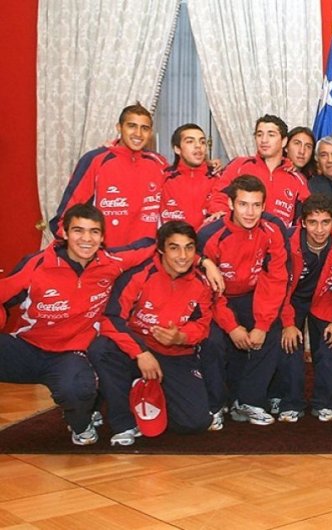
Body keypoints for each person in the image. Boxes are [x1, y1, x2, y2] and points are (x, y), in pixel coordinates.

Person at [0, 204, 156, 445]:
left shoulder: (112, 263)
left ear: (103, 237)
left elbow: (158, 245)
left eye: (94, 232)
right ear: (64, 232)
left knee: (79, 388)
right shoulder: (36, 264)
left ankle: (81, 425)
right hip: (26, 347)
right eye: (78, 231)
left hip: (69, 355)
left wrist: (202, 260)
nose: (86, 239)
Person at [89, 221, 215, 445]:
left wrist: (181, 337)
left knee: (194, 423)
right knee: (101, 348)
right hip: (135, 351)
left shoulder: (201, 283)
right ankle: (123, 422)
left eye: (189, 247)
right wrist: (140, 353)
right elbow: (111, 319)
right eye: (174, 248)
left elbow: (202, 325)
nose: (183, 255)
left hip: (175, 354)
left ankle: (147, 392)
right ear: (161, 250)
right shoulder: (140, 275)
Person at [198, 175, 290, 427]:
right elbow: (206, 291)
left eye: (256, 205)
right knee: (213, 341)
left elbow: (275, 280)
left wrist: (261, 325)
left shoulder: (272, 232)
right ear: (230, 204)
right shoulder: (210, 234)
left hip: (253, 295)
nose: (250, 212)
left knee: (271, 332)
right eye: (243, 204)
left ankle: (249, 401)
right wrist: (232, 327)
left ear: (264, 206)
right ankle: (217, 405)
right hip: (217, 301)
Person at [276, 195, 332, 422]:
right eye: (313, 222)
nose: (319, 229)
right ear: (302, 223)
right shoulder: (286, 242)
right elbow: (277, 286)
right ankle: (291, 403)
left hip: (324, 298)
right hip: (289, 300)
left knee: (331, 345)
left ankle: (324, 403)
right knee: (290, 346)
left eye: (325, 222)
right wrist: (287, 323)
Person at [51, 103, 166, 247]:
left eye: (145, 128)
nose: (138, 133)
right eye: (131, 126)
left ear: (150, 133)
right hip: (105, 257)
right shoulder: (96, 160)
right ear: (119, 127)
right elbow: (66, 216)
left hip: (146, 259)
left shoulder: (159, 163)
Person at [207, 115, 309, 227]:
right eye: (259, 134)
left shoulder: (297, 179)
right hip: (240, 239)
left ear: (284, 141)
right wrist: (224, 217)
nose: (264, 140)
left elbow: (303, 219)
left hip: (278, 242)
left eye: (271, 135)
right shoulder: (239, 165)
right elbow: (218, 196)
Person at [161, 123, 220, 229]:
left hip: (207, 244)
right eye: (190, 141)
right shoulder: (163, 177)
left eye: (202, 142)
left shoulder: (218, 178)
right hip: (174, 243)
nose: (198, 145)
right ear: (177, 149)